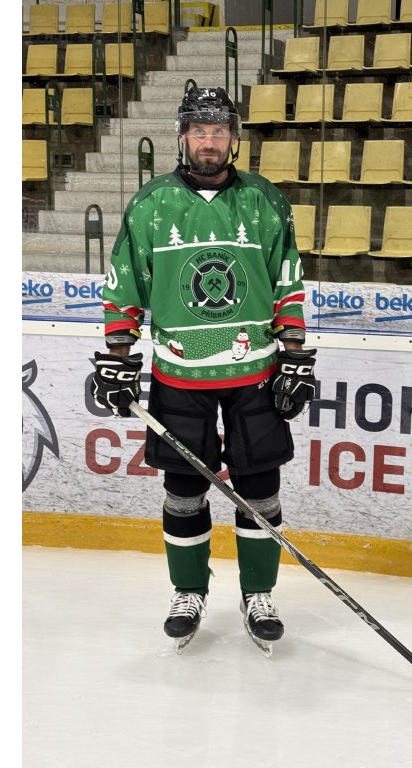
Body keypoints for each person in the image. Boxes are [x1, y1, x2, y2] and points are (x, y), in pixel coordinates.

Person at [89, 87, 317, 655]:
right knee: (184, 491)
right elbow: (124, 287)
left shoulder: (265, 200)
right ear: (182, 137)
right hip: (180, 375)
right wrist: (120, 357)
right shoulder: (151, 204)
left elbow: (287, 280)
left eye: (219, 131)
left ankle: (258, 594)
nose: (209, 141)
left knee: (260, 489)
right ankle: (188, 591)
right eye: (199, 131)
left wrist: (293, 353)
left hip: (254, 372)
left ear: (234, 139)